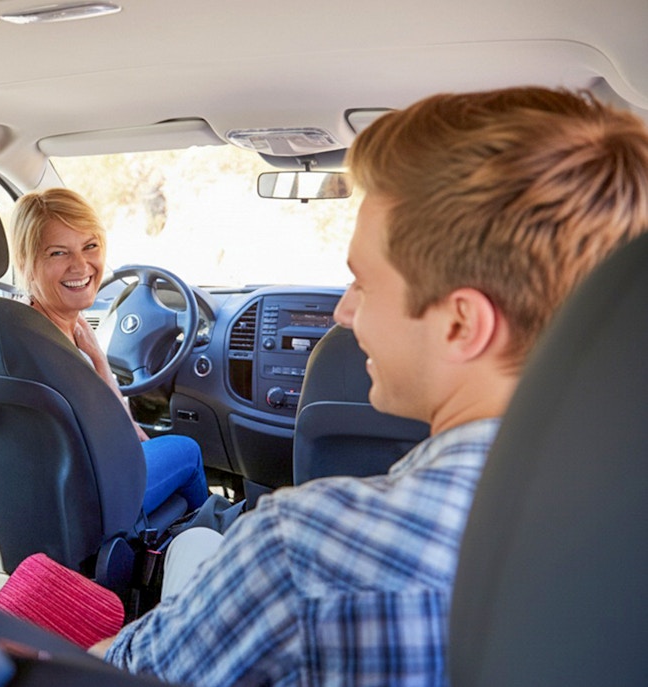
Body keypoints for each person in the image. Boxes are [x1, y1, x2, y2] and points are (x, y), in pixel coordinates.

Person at [88, 87, 648, 685]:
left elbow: (110, 677)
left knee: (195, 551)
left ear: (461, 323)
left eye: (362, 283)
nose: (342, 314)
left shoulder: (302, 551)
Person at [9, 188, 210, 516]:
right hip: (89, 502)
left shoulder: (17, 328)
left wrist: (98, 359)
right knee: (186, 450)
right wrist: (98, 364)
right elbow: (118, 438)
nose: (81, 265)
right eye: (58, 253)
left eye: (90, 246)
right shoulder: (53, 351)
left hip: (44, 498)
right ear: (26, 262)